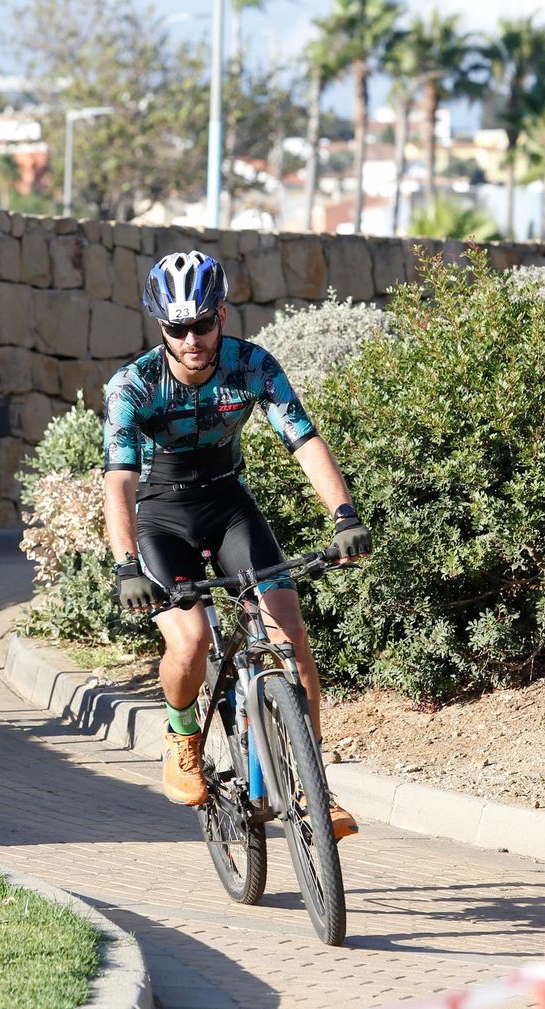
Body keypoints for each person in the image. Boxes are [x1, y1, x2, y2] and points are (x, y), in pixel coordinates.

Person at [102, 250, 372, 838]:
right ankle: (181, 734)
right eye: (178, 328)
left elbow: (303, 440)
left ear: (221, 314)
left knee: (290, 638)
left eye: (203, 324)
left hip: (229, 508)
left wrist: (344, 513)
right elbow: (118, 480)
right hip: (161, 517)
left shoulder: (253, 366)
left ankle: (313, 790)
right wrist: (127, 565)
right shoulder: (134, 385)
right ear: (161, 327)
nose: (192, 339)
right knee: (193, 638)